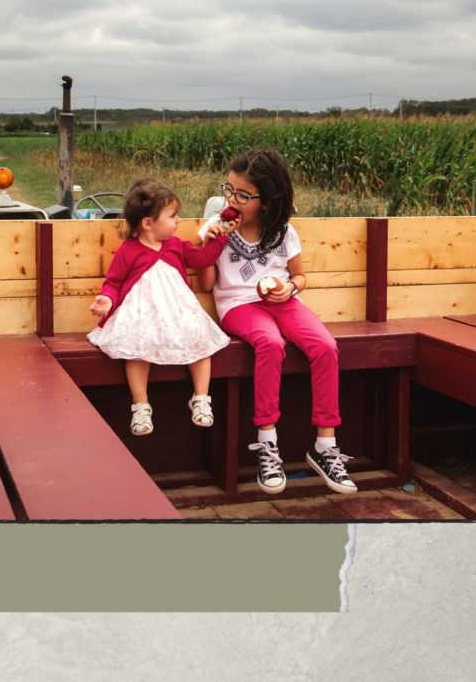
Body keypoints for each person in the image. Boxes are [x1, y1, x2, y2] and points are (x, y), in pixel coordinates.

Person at [197, 148, 357, 496]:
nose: (232, 199)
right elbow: (207, 285)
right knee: (270, 343)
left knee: (326, 346)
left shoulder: (284, 231)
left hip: (281, 301)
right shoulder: (214, 227)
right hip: (239, 305)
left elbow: (300, 277)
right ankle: (267, 444)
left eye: (243, 194)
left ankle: (325, 446)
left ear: (267, 201)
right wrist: (211, 245)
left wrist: (288, 287)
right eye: (229, 190)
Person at [88, 178, 236, 436]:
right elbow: (113, 282)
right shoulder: (128, 251)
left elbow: (203, 259)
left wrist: (219, 238)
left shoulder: (176, 246)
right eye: (173, 215)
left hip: (179, 315)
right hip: (141, 316)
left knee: (202, 342)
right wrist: (107, 299)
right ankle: (141, 404)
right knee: (135, 351)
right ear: (148, 224)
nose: (178, 220)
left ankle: (201, 397)